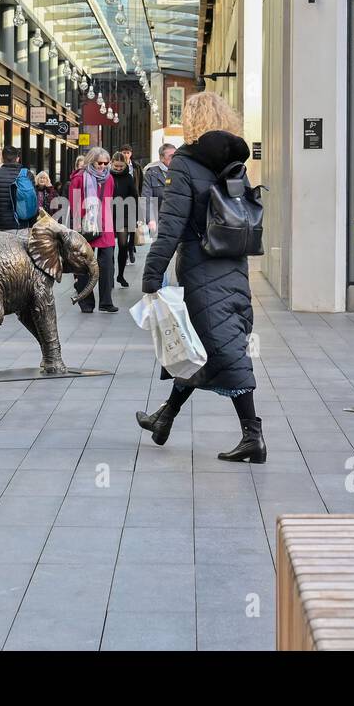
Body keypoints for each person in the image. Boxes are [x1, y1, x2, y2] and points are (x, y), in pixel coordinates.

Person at [136, 91, 264, 464]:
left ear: (193, 122)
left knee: (224, 351)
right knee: (204, 348)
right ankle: (165, 417)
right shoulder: (235, 165)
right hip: (234, 266)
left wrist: (151, 275)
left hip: (201, 268)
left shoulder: (185, 165)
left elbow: (171, 227)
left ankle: (253, 436)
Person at [69, 146, 117, 314]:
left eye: (106, 163)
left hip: (106, 226)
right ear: (91, 161)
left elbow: (109, 201)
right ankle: (86, 302)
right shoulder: (79, 179)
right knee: (83, 266)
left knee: (107, 265)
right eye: (100, 163)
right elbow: (74, 204)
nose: (103, 166)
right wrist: (77, 227)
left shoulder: (109, 178)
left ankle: (106, 301)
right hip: (85, 225)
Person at [0, 145, 36, 231]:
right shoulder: (27, 174)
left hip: (1, 223)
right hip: (22, 224)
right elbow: (33, 199)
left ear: (2, 158)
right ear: (17, 158)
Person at [110, 150, 139, 288]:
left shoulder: (128, 178)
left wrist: (136, 217)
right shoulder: (106, 176)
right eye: (116, 166)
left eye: (121, 166)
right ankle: (109, 275)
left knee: (122, 245)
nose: (119, 169)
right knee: (108, 248)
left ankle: (120, 275)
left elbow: (134, 197)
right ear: (111, 163)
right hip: (108, 214)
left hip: (124, 214)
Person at [142, 142, 176, 235]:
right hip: (158, 220)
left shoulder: (179, 172)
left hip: (177, 219)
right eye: (171, 156)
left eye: (176, 155)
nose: (174, 159)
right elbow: (146, 198)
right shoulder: (151, 173)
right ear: (161, 158)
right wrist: (150, 219)